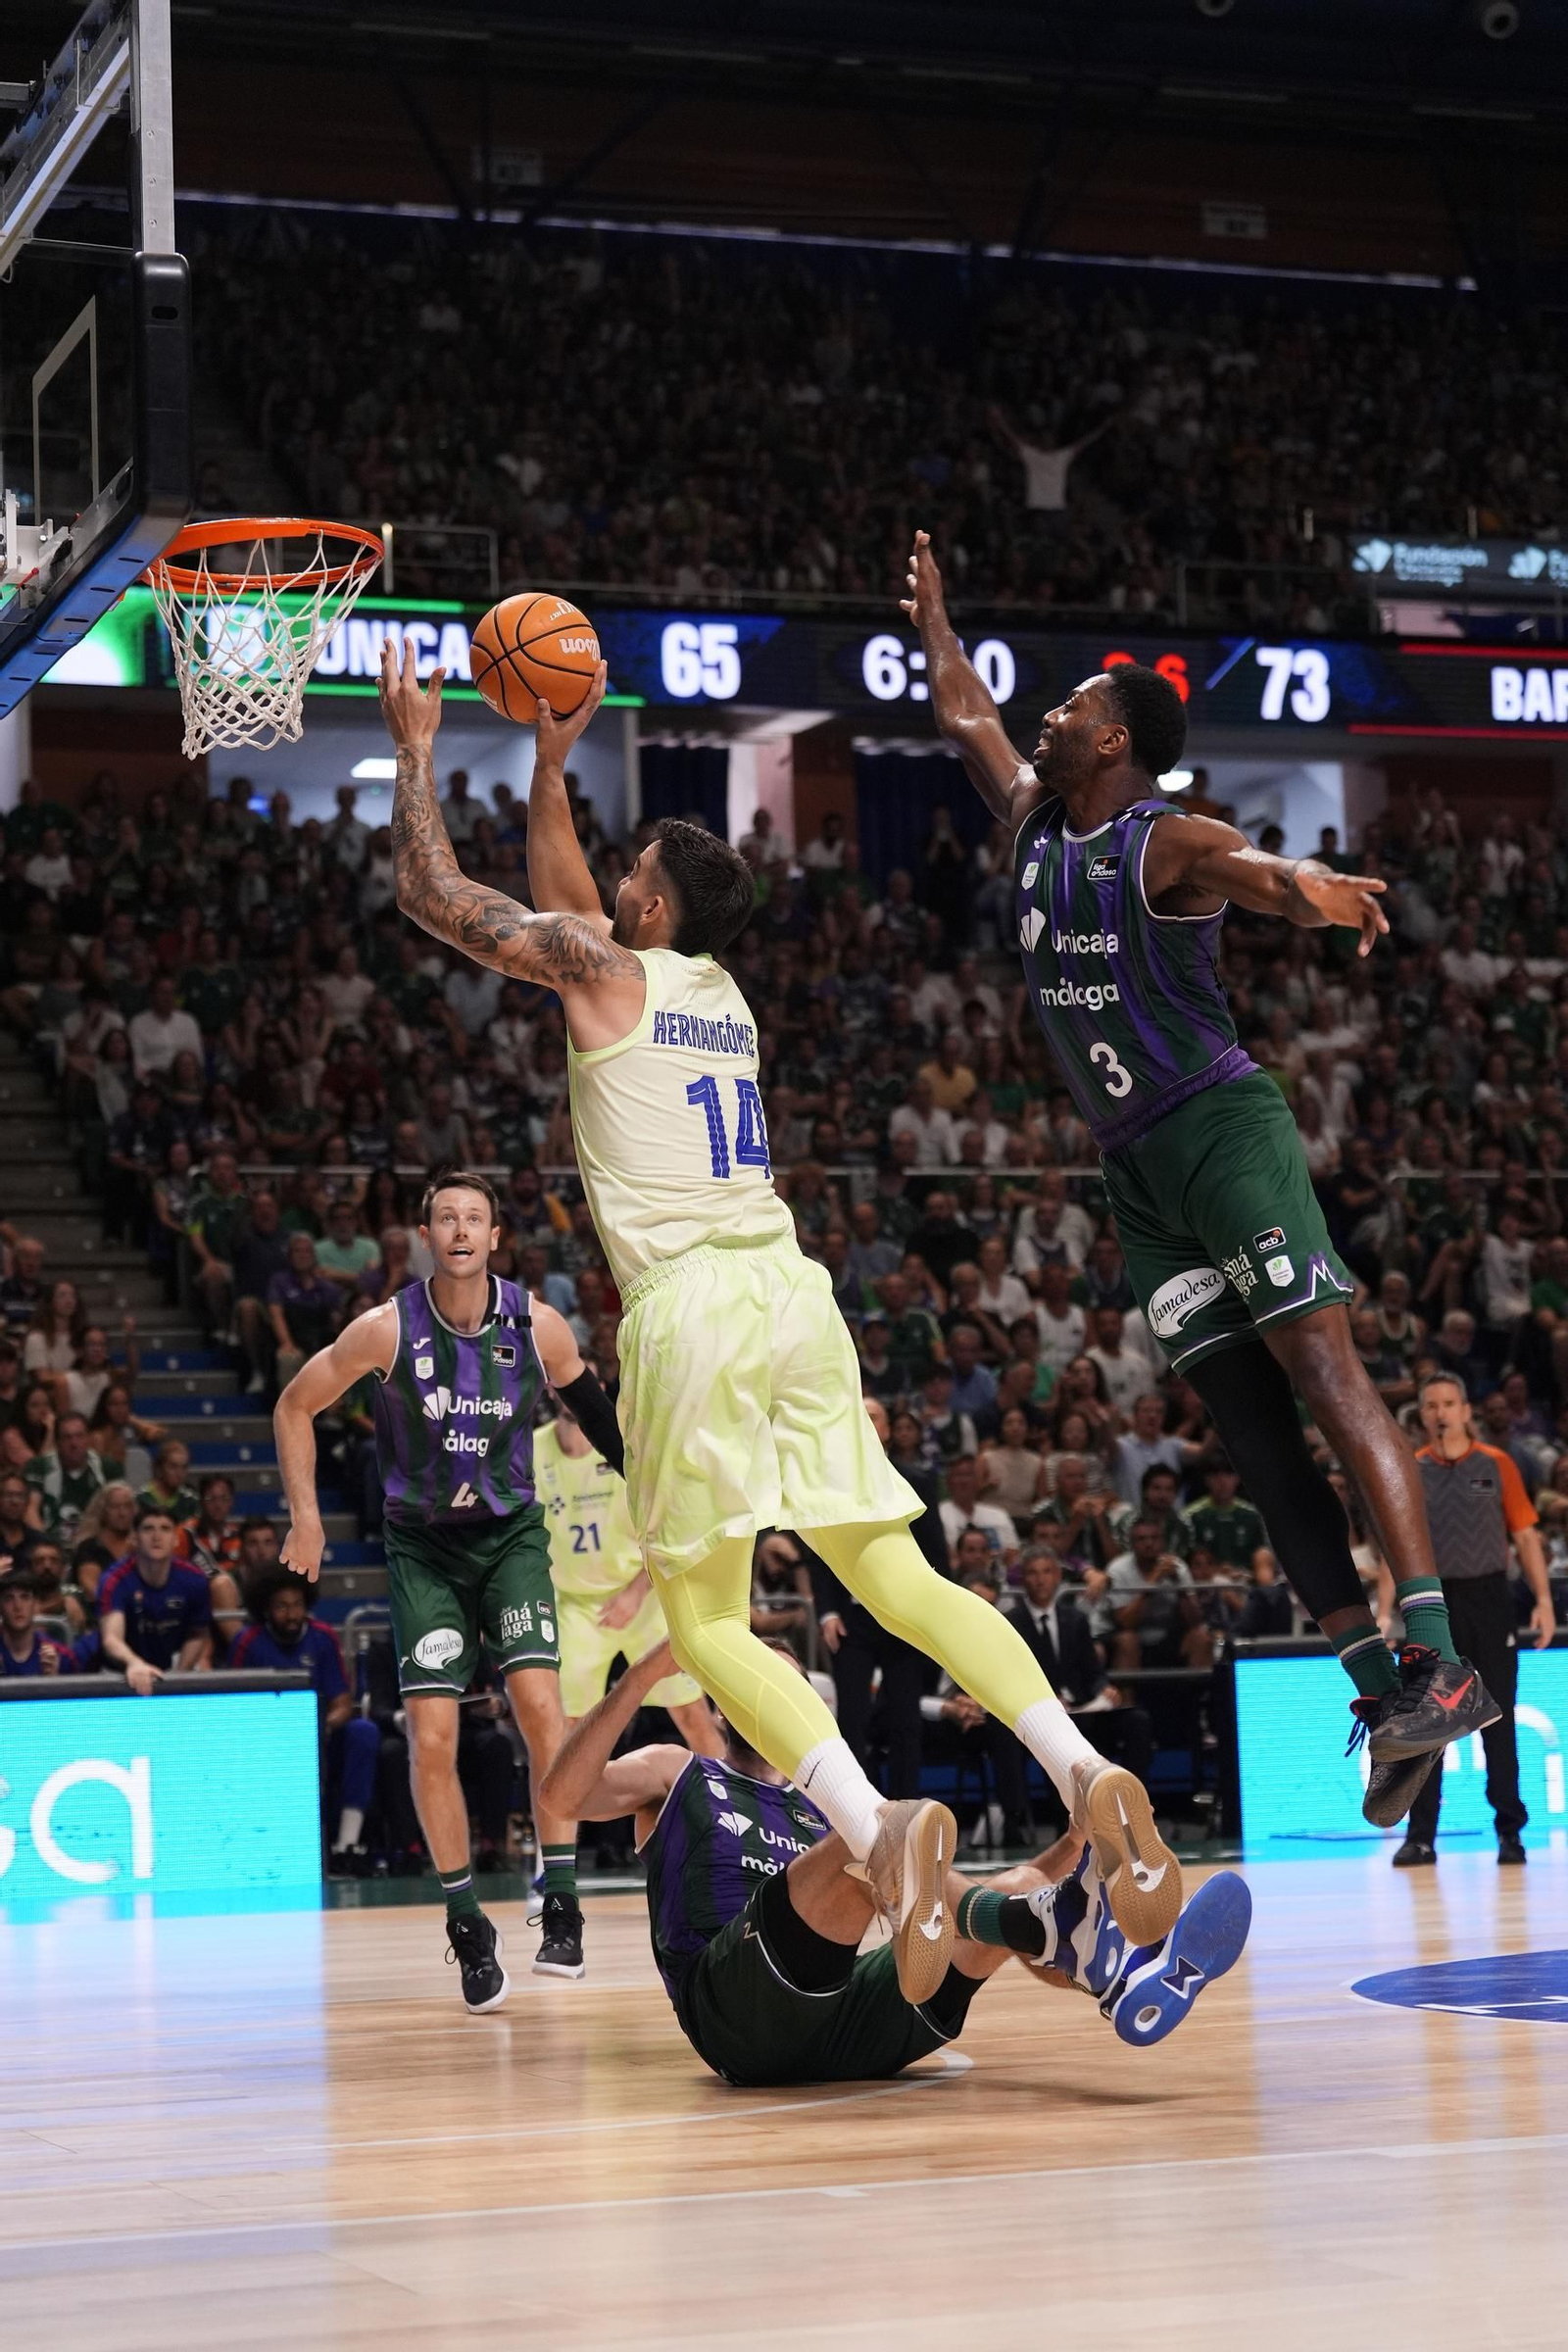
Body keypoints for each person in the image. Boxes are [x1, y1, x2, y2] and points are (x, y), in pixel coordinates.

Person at [378, 640, 1185, 2004]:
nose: (606, 884)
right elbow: (570, 895)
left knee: (704, 1630)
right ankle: (1083, 1769)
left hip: (691, 1310)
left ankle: (878, 1832)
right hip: (796, 1292)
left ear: (645, 903)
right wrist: (552, 763)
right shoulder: (713, 992)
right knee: (900, 1581)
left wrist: (416, 740)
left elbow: (431, 891)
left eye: (625, 872)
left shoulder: (601, 966)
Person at [904, 528, 1495, 1829]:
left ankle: (1443, 1661)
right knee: (1251, 1428)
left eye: (1068, 709)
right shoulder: (1032, 826)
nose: (1045, 719)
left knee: (1327, 1373)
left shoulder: (1165, 841)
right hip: (1140, 1180)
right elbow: (961, 710)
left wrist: (1319, 888)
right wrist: (937, 618)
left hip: (1224, 1132)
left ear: (1115, 743)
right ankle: (1380, 1676)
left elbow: (1263, 879)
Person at [543, 1635, 1251, 2086]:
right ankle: (1064, 1932)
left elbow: (936, 1903)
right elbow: (563, 1795)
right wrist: (640, 1678)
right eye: (755, 1682)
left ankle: (1119, 1979)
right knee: (878, 1839)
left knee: (1016, 1884)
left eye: (788, 1688)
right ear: (723, 1700)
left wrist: (1073, 1845)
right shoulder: (680, 1771)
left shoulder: (826, 1806)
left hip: (839, 2023)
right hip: (734, 2010)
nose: (772, 1698)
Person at [274, 1170, 627, 2002]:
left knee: (545, 1710)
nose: (461, 1227)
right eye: (445, 1217)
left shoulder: (537, 1325)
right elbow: (294, 1406)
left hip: (508, 1539)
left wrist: (643, 1484)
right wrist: (306, 1518)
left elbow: (598, 1410)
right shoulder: (382, 1329)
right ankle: (467, 1922)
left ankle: (564, 1901)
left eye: (475, 1216)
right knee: (432, 1737)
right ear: (425, 1236)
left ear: (495, 1236)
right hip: (424, 1548)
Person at [1390, 1373, 1555, 1868]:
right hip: (1430, 1602)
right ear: (1422, 1415)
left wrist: (1543, 1600)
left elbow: (1526, 1537)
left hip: (1489, 1598)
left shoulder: (1497, 1463)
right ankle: (1421, 1837)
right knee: (1427, 1722)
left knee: (1498, 1720)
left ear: (1466, 1410)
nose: (1441, 1412)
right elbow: (1392, 1546)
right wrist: (1384, 1610)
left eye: (1449, 1403)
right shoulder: (1410, 1469)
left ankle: (1510, 1833)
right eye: (1432, 1405)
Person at [533, 1403, 720, 1756]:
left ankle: (729, 1806)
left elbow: (665, 1527)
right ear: (548, 1389)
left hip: (645, 1597)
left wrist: (636, 1593)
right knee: (567, 1734)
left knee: (692, 1715)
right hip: (575, 1605)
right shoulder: (532, 1450)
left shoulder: (623, 1446)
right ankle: (564, 1811)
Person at [231, 1569, 381, 1870]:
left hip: (318, 1735)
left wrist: (320, 1726)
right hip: (264, 1741)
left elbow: (342, 1703)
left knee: (363, 1731)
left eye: (297, 1604)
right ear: (266, 1608)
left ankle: (346, 1845)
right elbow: (234, 1706)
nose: (291, 1614)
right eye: (282, 1606)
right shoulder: (247, 1641)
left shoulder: (322, 1637)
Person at [98, 1501, 212, 1690]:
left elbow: (198, 1634)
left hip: (174, 1666)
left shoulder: (195, 1580)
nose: (157, 1536)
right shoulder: (114, 1579)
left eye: (165, 1529)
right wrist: (134, 1663)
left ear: (176, 1539)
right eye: (148, 1529)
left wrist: (178, 1678)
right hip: (121, 1670)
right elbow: (111, 1638)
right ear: (134, 1538)